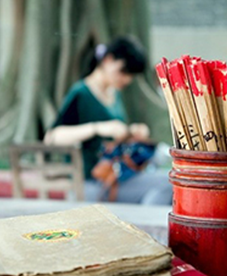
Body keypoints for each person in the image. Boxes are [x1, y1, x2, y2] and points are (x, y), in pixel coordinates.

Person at [44, 37, 172, 205]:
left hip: (117, 175)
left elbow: (114, 136)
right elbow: (52, 137)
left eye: (131, 75)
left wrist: (130, 132)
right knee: (169, 184)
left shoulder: (114, 94)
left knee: (169, 180)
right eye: (124, 72)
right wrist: (97, 128)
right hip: (91, 182)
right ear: (108, 60)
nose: (127, 79)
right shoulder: (81, 93)